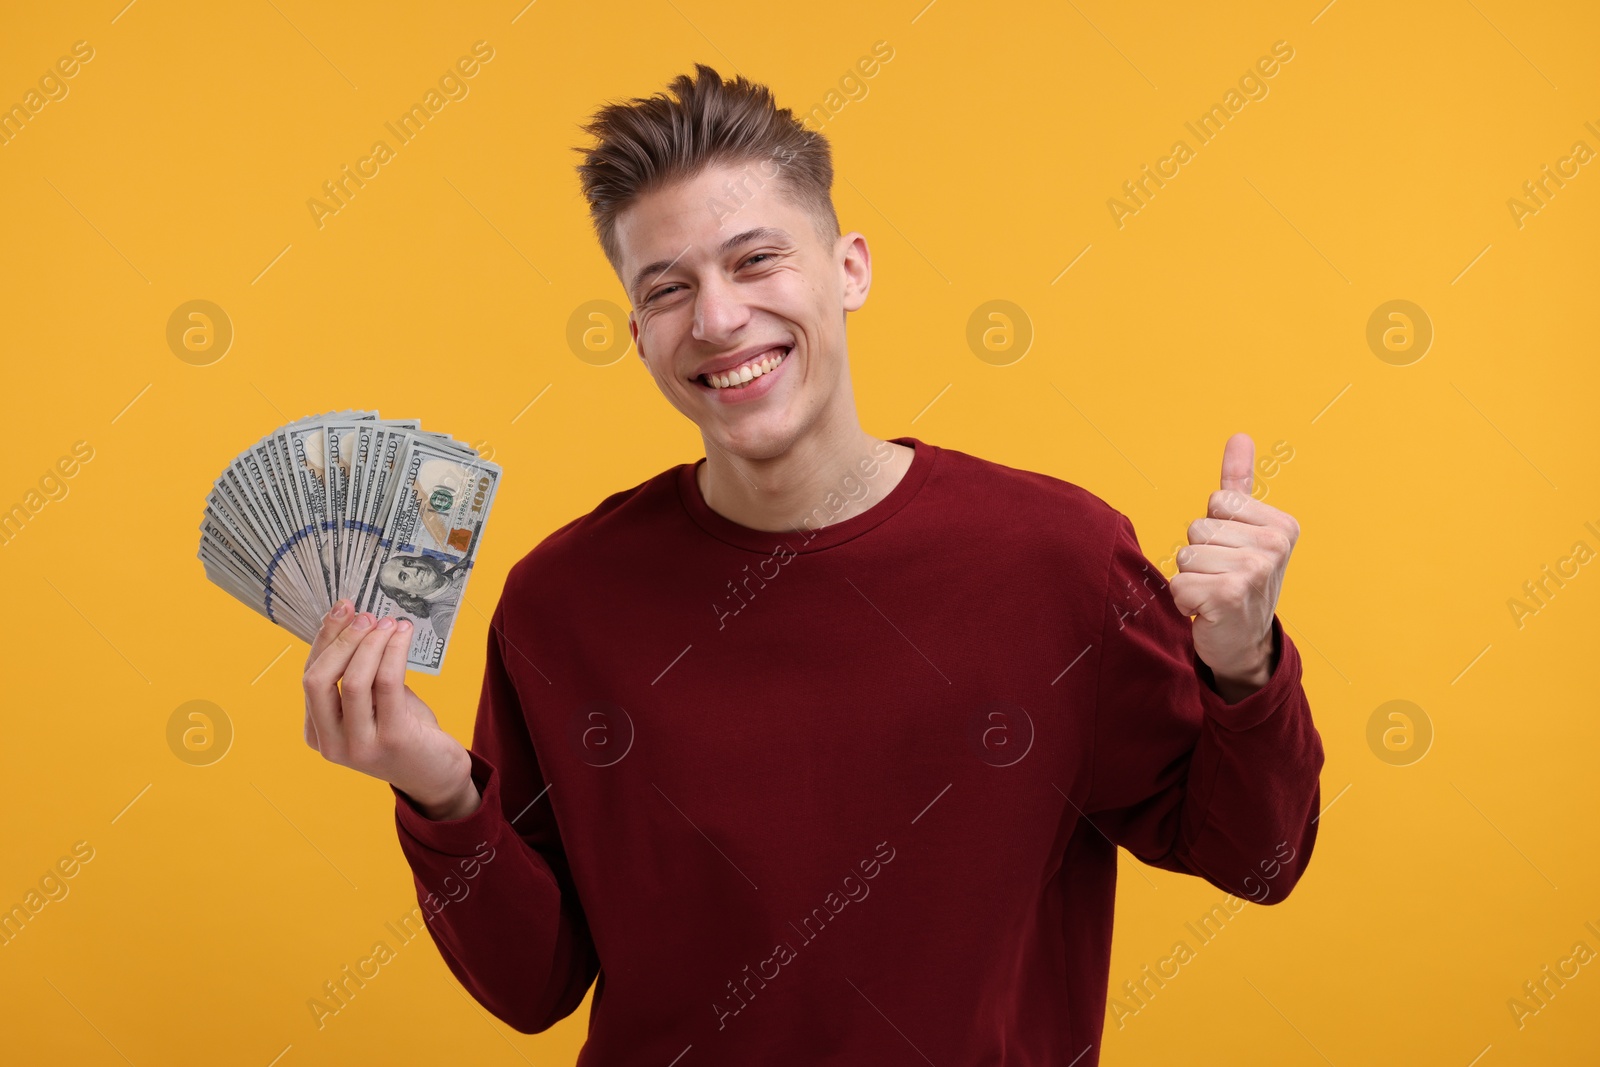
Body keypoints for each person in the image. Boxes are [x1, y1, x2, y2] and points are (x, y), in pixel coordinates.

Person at [300, 64, 1324, 1065]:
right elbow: (534, 989)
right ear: (638, 334)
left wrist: (1243, 666)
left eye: (754, 261)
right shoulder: (562, 600)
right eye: (669, 288)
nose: (715, 318)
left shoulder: (1058, 558)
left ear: (850, 268)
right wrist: (438, 790)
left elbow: (1259, 859)